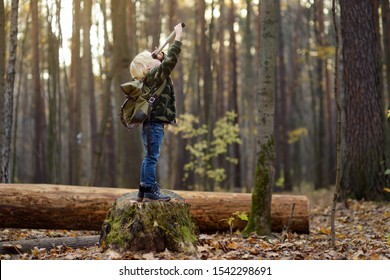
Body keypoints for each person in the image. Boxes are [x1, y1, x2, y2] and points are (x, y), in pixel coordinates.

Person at [129, 23, 183, 202]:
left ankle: (143, 189)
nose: (157, 59)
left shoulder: (151, 77)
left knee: (149, 156)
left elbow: (164, 64)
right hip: (153, 124)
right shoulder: (153, 76)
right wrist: (178, 37)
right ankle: (150, 190)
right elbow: (170, 63)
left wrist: (160, 56)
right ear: (148, 68)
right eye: (152, 59)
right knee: (152, 157)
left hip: (152, 124)